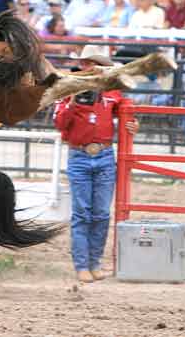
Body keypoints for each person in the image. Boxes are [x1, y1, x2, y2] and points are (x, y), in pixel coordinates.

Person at [53, 45, 139, 283]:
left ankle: (94, 263)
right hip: (81, 155)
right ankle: (84, 264)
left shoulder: (112, 92)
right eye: (87, 63)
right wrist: (72, 102)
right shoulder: (68, 90)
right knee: (83, 213)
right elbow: (59, 124)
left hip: (102, 155)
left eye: (95, 63)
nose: (91, 68)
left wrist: (132, 123)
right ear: (82, 66)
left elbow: (127, 113)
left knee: (100, 213)